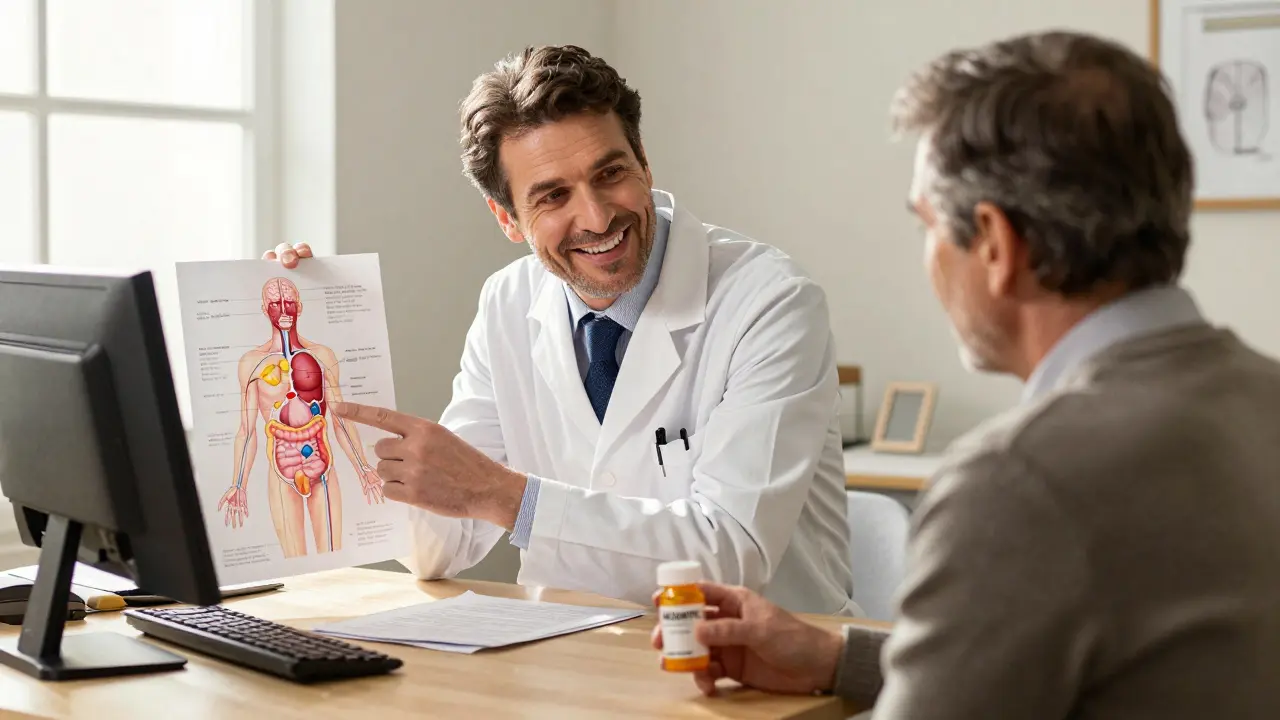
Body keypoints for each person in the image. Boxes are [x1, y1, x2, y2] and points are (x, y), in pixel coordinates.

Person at [652, 30, 1280, 718]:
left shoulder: (1017, 484)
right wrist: (839, 661)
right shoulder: (1262, 400)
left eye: (927, 224)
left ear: (995, 245)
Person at [265, 45, 857, 614]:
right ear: (506, 218)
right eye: (553, 195)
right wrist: (328, 356)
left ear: (644, 163)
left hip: (754, 681)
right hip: (570, 663)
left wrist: (505, 497)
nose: (598, 216)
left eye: (611, 173)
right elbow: (440, 547)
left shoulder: (768, 301)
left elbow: (731, 551)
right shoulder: (507, 302)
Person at [216, 276, 384, 557]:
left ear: (300, 307)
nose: (283, 310)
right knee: (295, 563)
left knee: (333, 559)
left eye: (289, 302)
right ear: (264, 309)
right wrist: (238, 484)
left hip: (323, 466)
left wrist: (363, 467)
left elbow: (340, 418)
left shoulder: (322, 355)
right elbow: (247, 431)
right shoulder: (252, 363)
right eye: (275, 303)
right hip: (281, 470)